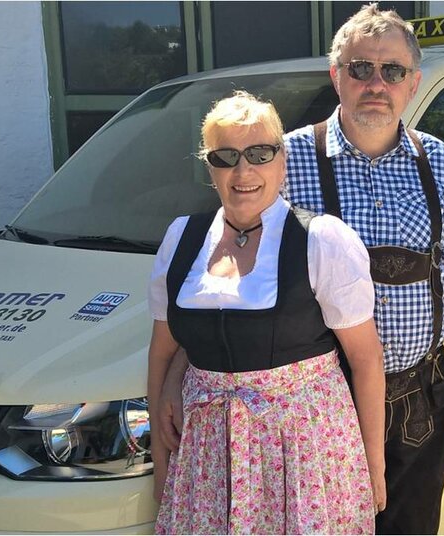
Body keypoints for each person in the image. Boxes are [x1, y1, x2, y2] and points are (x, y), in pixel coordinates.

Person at [155, 4, 444, 533]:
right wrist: (184, 371)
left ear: (413, 82)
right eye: (360, 68)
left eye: (392, 70)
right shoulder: (278, 160)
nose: (376, 83)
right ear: (336, 76)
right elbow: (227, 280)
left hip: (419, 401)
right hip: (318, 412)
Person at [147, 91, 386, 534]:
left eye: (260, 154)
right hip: (207, 459)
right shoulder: (182, 239)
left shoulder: (323, 240)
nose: (244, 172)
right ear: (210, 168)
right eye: (226, 157)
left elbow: (366, 358)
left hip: (304, 454)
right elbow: (162, 353)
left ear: (282, 160)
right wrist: (161, 461)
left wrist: (373, 464)